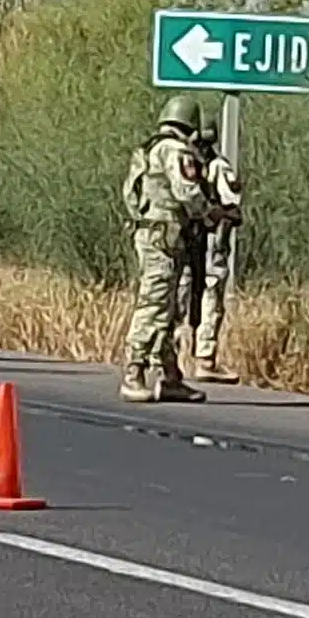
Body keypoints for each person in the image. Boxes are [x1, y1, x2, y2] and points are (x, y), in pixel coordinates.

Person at [116, 103, 208, 403]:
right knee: (154, 303)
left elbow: (130, 196)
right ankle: (134, 371)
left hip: (152, 233)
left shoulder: (147, 149)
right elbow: (188, 193)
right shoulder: (174, 151)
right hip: (164, 237)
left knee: (168, 306)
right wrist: (211, 213)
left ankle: (170, 375)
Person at [172, 112, 242, 384]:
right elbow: (232, 207)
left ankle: (199, 359)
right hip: (195, 240)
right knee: (191, 296)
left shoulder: (209, 166)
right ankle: (194, 358)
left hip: (204, 239)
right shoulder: (201, 165)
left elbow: (228, 208)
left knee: (200, 294)